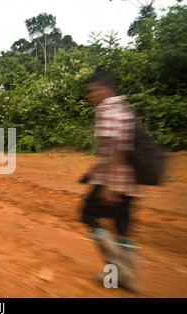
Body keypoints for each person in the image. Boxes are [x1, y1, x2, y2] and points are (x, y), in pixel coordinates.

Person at [80, 71, 140, 292]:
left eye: (92, 90)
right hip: (130, 181)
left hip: (113, 181)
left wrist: (109, 186)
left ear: (104, 88)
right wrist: (93, 170)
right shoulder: (123, 108)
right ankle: (125, 277)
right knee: (121, 227)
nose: (89, 96)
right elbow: (120, 146)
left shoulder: (105, 109)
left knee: (87, 215)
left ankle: (119, 273)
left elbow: (114, 146)